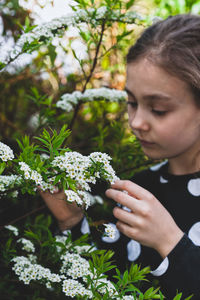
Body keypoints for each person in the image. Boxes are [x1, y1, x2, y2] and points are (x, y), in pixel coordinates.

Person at [40, 14, 200, 299]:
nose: (137, 121)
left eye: (159, 109)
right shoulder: (139, 188)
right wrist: (73, 222)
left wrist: (170, 242)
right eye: (132, 102)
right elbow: (107, 280)